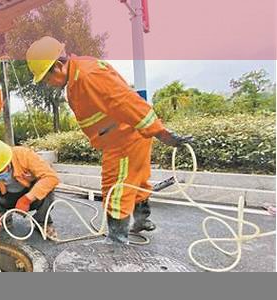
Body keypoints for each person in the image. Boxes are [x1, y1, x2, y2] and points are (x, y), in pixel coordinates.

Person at [25, 36, 193, 244]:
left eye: (45, 78)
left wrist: (160, 132)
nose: (47, 84)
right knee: (136, 181)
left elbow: (126, 101)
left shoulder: (88, 75)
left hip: (124, 140)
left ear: (58, 66)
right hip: (123, 138)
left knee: (115, 190)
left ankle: (117, 241)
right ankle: (141, 219)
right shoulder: (78, 75)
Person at [0, 139, 59, 239]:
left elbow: (51, 177)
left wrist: (27, 199)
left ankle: (43, 222)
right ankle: (3, 219)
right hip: (5, 197)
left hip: (29, 195)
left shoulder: (24, 155)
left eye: (1, 170)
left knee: (47, 189)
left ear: (8, 160)